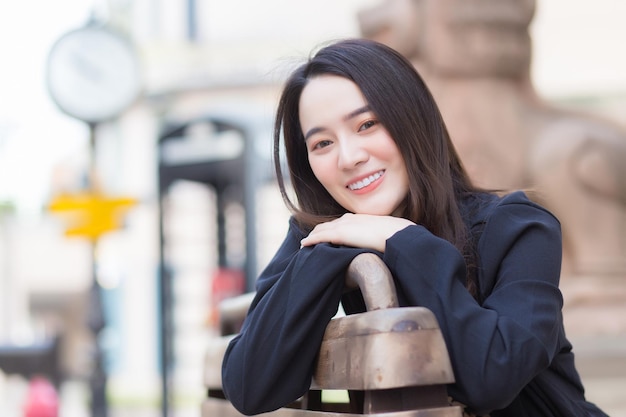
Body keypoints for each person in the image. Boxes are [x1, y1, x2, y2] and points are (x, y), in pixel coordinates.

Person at [221, 39, 608, 417]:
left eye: (368, 124)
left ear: (412, 120)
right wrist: (327, 253)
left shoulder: (520, 228)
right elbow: (249, 388)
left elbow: (492, 377)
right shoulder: (325, 235)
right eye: (322, 144)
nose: (349, 157)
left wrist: (402, 241)